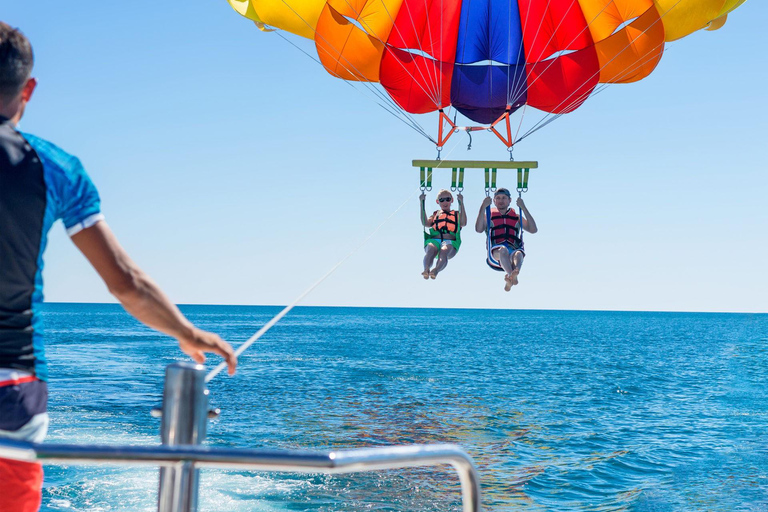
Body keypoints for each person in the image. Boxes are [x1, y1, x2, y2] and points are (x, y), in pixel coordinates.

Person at [0, 23, 237, 512]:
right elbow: (126, 282)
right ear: (29, 89)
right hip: (14, 390)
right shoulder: (56, 168)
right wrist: (187, 331)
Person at [475, 188, 538, 291]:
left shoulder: (516, 217)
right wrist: (483, 207)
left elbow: (533, 229)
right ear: (494, 201)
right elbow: (478, 229)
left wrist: (523, 208)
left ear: (510, 200)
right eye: (498, 198)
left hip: (513, 250)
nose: (501, 200)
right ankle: (511, 275)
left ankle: (513, 275)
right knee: (503, 249)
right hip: (496, 253)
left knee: (518, 253)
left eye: (504, 198)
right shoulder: (489, 216)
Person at [419, 189, 467, 279]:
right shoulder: (435, 214)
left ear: (452, 200)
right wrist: (422, 203)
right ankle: (426, 269)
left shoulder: (456, 214)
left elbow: (463, 223)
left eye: (447, 199)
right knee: (430, 250)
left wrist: (461, 202)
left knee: (444, 251)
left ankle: (436, 270)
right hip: (434, 240)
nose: (445, 202)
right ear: (438, 201)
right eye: (442, 200)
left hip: (450, 242)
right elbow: (425, 223)